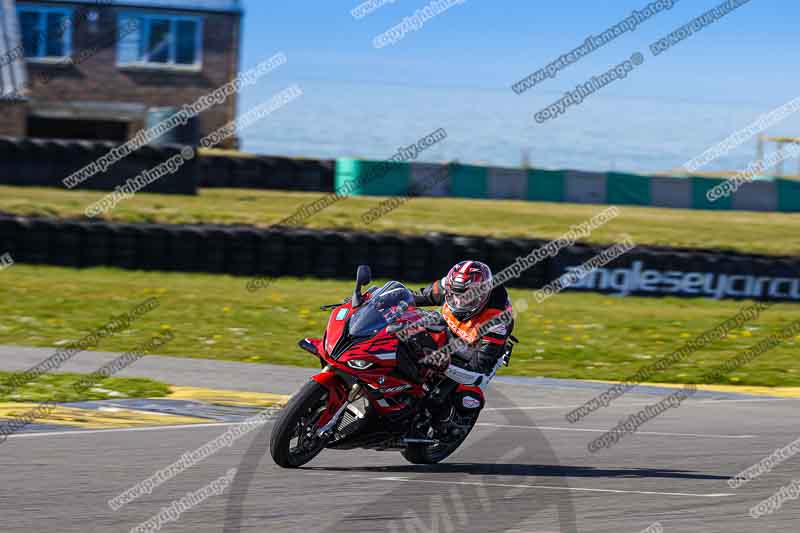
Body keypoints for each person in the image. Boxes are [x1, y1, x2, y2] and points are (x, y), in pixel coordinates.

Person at [411, 260, 514, 379]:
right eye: (456, 295)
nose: (459, 302)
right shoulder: (449, 284)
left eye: (468, 297)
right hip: (449, 333)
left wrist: (444, 365)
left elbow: (479, 369)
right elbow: (415, 297)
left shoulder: (497, 320)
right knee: (417, 319)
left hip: (473, 356)